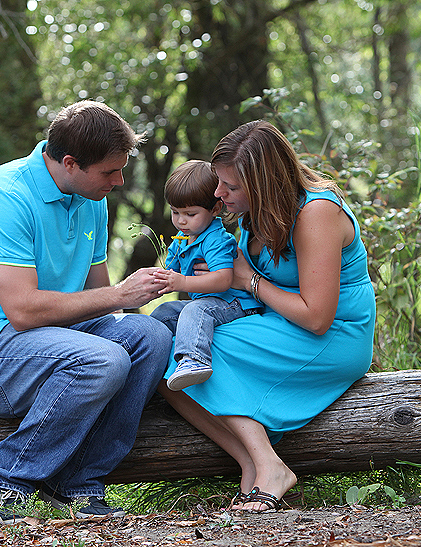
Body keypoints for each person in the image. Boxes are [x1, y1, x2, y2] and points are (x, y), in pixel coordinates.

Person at [0, 100, 173, 524]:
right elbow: (24, 311)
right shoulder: (4, 197)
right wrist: (121, 295)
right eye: (109, 172)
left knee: (150, 335)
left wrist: (132, 297)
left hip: (59, 341)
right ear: (70, 163)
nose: (119, 181)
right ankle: (9, 477)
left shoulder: (91, 196)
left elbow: (97, 296)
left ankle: (79, 483)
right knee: (103, 358)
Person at [158, 121, 376, 512]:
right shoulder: (250, 214)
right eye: (219, 183)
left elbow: (316, 317)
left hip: (331, 336)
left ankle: (271, 468)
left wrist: (248, 280)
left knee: (202, 348)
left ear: (263, 184)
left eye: (231, 187)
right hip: (276, 321)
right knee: (162, 351)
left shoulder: (316, 212)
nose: (217, 194)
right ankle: (249, 463)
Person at [150, 160, 261, 391]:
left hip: (235, 303)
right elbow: (171, 272)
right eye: (175, 212)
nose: (181, 221)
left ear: (215, 209)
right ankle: (150, 353)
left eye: (190, 214)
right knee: (165, 312)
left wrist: (182, 282)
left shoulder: (215, 239)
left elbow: (223, 280)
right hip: (209, 304)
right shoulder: (183, 238)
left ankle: (194, 360)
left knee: (194, 309)